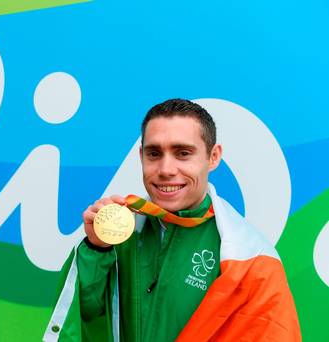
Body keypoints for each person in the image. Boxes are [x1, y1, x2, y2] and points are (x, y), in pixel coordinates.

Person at [44, 99, 301, 341]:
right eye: (154, 154)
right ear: (141, 155)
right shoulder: (122, 232)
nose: (166, 170)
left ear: (213, 157)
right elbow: (88, 317)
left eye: (183, 153)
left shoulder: (250, 257)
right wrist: (96, 248)